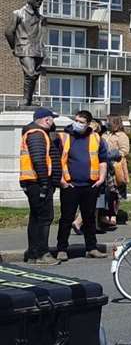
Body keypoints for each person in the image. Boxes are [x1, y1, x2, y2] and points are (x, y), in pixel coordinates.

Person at [54, 113, 108, 260]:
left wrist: (101, 178)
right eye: (76, 120)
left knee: (89, 218)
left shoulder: (96, 138)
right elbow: (56, 161)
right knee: (66, 218)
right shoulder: (64, 137)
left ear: (88, 124)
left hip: (90, 185)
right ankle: (62, 249)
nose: (77, 123)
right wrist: (62, 181)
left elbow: (103, 160)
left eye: (81, 121)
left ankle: (91, 248)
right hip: (70, 185)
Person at [18, 106, 61, 264]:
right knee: (44, 218)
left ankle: (32, 253)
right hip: (38, 182)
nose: (53, 122)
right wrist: (44, 183)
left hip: (33, 181)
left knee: (36, 218)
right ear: (46, 119)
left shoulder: (34, 132)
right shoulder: (37, 133)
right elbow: (38, 159)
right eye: (52, 119)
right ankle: (42, 254)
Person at [101, 115, 130, 231]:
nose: (107, 124)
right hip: (105, 166)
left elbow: (124, 151)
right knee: (106, 192)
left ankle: (113, 215)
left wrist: (114, 154)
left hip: (116, 166)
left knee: (115, 193)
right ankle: (104, 214)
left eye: (109, 122)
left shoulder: (122, 136)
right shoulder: (104, 134)